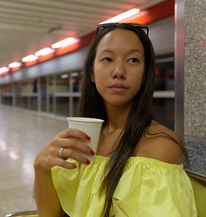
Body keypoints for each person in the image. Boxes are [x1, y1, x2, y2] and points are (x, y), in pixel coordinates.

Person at [33, 23, 197, 217]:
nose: (119, 71)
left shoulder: (160, 146)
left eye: (133, 60)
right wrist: (41, 168)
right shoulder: (83, 140)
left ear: (145, 75)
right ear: (92, 73)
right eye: (108, 59)